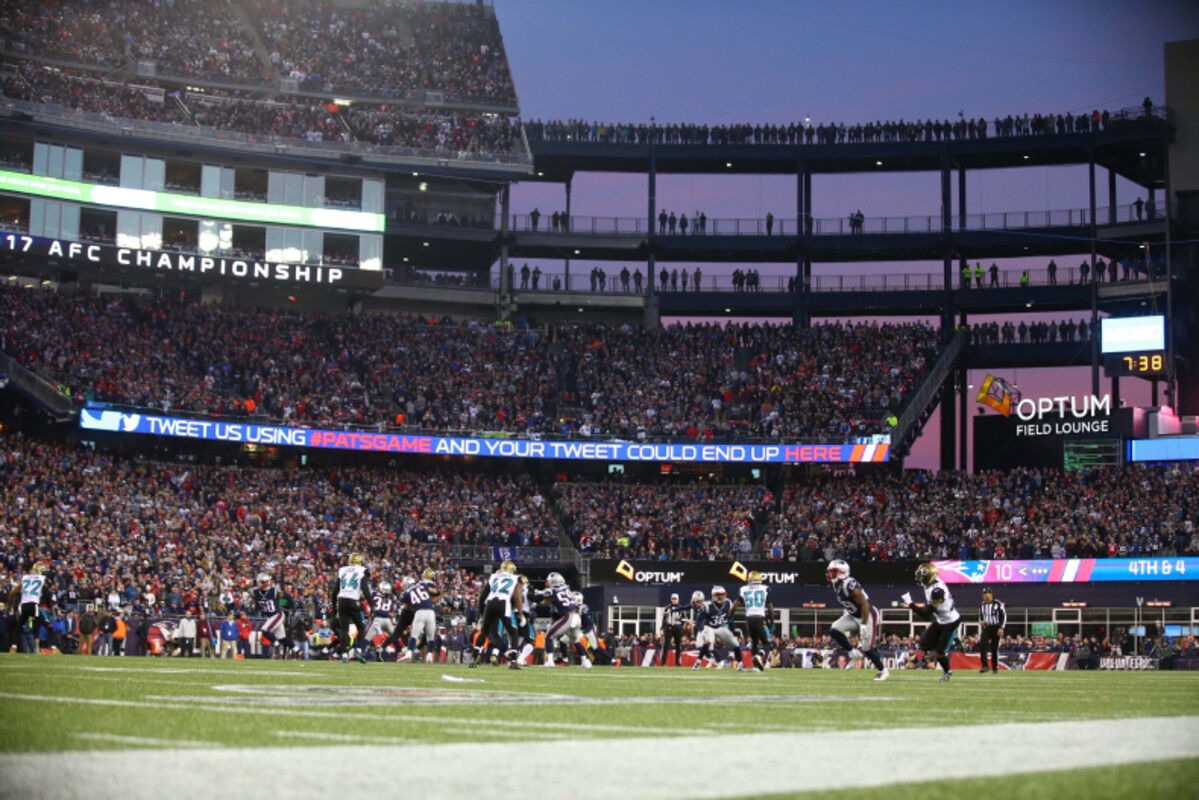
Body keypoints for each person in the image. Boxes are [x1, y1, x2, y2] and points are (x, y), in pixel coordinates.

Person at [825, 560, 889, 681]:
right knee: (834, 630)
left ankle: (883, 671)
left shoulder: (848, 585)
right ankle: (853, 653)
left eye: (833, 572)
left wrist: (863, 625)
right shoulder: (836, 584)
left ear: (842, 573)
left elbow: (865, 604)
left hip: (867, 615)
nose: (829, 574)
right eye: (829, 571)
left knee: (866, 648)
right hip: (854, 616)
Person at [905, 562, 961, 682]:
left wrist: (912, 605)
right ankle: (948, 642)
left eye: (922, 576)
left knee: (940, 653)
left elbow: (926, 615)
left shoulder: (937, 591)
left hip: (950, 622)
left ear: (928, 577)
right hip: (941, 620)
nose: (920, 579)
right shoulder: (931, 584)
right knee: (923, 644)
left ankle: (947, 672)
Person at [473, 560, 523, 667]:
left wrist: (481, 614)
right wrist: (521, 614)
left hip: (490, 603)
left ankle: (474, 658)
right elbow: (517, 597)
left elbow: (482, 597)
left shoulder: (494, 576)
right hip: (503, 603)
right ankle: (513, 661)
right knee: (513, 632)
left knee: (484, 632)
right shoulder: (516, 578)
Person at [541, 572, 591, 668]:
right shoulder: (567, 588)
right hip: (576, 617)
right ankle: (585, 661)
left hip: (568, 617)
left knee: (549, 636)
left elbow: (545, 602)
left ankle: (550, 661)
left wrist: (539, 601)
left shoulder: (552, 591)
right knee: (575, 640)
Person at [693, 585, 744, 671]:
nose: (721, 597)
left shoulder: (728, 603)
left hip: (720, 628)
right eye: (718, 595)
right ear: (713, 596)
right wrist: (702, 631)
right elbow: (698, 621)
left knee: (735, 643)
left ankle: (740, 665)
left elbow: (730, 619)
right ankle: (698, 662)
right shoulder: (707, 606)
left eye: (722, 594)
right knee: (709, 642)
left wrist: (734, 631)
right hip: (709, 627)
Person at [733, 571, 773, 672]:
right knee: (766, 643)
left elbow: (735, 605)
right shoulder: (765, 588)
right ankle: (760, 663)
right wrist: (771, 620)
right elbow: (770, 608)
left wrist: (729, 616)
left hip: (749, 619)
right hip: (759, 617)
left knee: (754, 643)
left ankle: (756, 666)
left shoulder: (744, 589)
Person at [335, 553, 370, 663]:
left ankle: (344, 655)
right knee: (361, 627)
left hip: (341, 600)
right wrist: (372, 604)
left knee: (344, 630)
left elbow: (335, 589)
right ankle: (358, 650)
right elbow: (365, 589)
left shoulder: (343, 570)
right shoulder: (362, 570)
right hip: (353, 600)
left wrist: (333, 604)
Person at [402, 568, 441, 663]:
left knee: (414, 635)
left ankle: (409, 652)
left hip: (419, 612)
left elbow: (406, 606)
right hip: (430, 612)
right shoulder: (423, 585)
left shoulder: (406, 593)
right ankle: (430, 654)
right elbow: (435, 592)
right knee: (430, 636)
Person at [253, 572, 290, 659]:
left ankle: (280, 649)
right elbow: (256, 604)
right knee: (280, 637)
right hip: (271, 616)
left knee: (268, 631)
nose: (267, 584)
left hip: (276, 615)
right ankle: (280, 654)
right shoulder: (255, 591)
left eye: (267, 581)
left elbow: (285, 596)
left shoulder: (274, 590)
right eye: (264, 582)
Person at [17, 563, 49, 651]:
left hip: (25, 603)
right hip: (32, 603)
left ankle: (15, 646)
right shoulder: (40, 579)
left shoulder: (26, 577)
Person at [364, 580, 397, 660]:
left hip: (377, 619)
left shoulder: (374, 594)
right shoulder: (392, 597)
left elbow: (367, 601)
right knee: (395, 636)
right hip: (388, 620)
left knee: (367, 638)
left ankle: (362, 653)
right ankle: (383, 648)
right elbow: (392, 609)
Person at [978, 587, 1006, 673]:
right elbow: (981, 616)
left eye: (987, 595)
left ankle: (995, 667)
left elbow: (1003, 616)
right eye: (984, 595)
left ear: (991, 595)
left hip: (996, 627)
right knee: (982, 644)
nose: (986, 597)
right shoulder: (982, 605)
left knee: (994, 647)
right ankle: (985, 666)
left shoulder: (998, 604)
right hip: (987, 627)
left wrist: (1001, 627)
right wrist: (981, 622)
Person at [658, 592, 688, 667]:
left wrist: (680, 618)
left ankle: (678, 663)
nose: (674, 600)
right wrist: (662, 628)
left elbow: (685, 619)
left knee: (678, 646)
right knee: (665, 646)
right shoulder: (667, 608)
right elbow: (664, 619)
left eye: (675, 599)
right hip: (669, 627)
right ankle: (663, 663)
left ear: (678, 599)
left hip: (678, 628)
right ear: (671, 600)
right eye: (673, 599)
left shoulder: (681, 608)